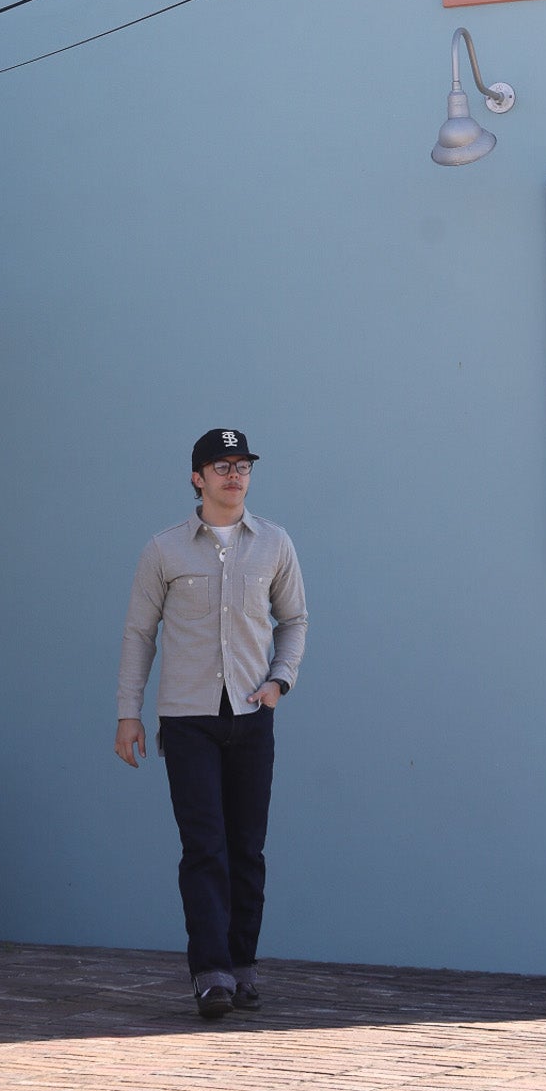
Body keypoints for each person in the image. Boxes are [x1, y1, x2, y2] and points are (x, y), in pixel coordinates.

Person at [115, 427, 307, 1020]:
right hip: (189, 718)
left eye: (242, 465)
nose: (234, 475)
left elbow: (294, 619)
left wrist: (280, 681)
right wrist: (129, 714)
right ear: (197, 477)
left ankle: (243, 966)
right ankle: (211, 973)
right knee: (204, 848)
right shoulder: (164, 549)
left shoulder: (274, 544)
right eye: (221, 466)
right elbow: (139, 634)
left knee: (247, 848)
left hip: (252, 715)